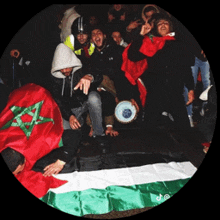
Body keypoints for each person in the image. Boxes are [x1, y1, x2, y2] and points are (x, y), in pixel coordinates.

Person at [125, 14, 195, 131]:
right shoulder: (151, 43)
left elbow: (185, 68)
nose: (163, 25)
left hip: (175, 91)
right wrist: (141, 34)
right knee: (149, 129)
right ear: (155, 28)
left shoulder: (180, 44)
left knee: (184, 128)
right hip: (155, 92)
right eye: (159, 23)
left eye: (165, 23)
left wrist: (191, 89)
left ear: (170, 27)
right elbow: (132, 56)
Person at [50, 43, 109, 151]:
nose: (65, 70)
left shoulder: (83, 63)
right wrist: (70, 116)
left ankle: (99, 134)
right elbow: (58, 100)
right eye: (61, 68)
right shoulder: (55, 78)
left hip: (85, 103)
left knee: (94, 98)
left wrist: (89, 76)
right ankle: (80, 126)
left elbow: (99, 74)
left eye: (68, 66)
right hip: (70, 110)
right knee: (65, 134)